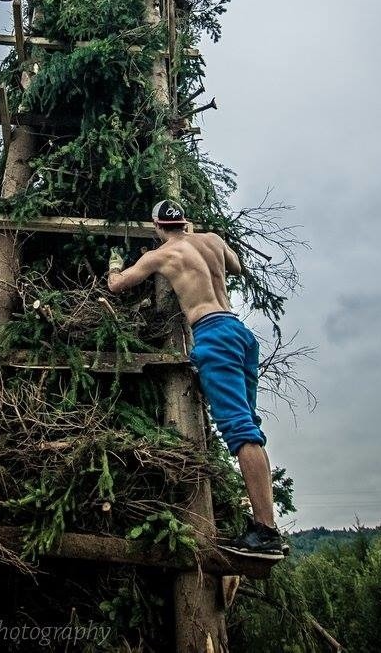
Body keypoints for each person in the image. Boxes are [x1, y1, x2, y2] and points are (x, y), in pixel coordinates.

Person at [107, 198, 284, 560]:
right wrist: (201, 239)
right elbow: (237, 267)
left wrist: (113, 264)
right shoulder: (213, 240)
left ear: (157, 226)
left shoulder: (162, 255)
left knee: (239, 430)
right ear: (185, 222)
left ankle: (265, 532)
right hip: (240, 333)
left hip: (212, 334)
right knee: (249, 426)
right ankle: (264, 526)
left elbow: (118, 286)